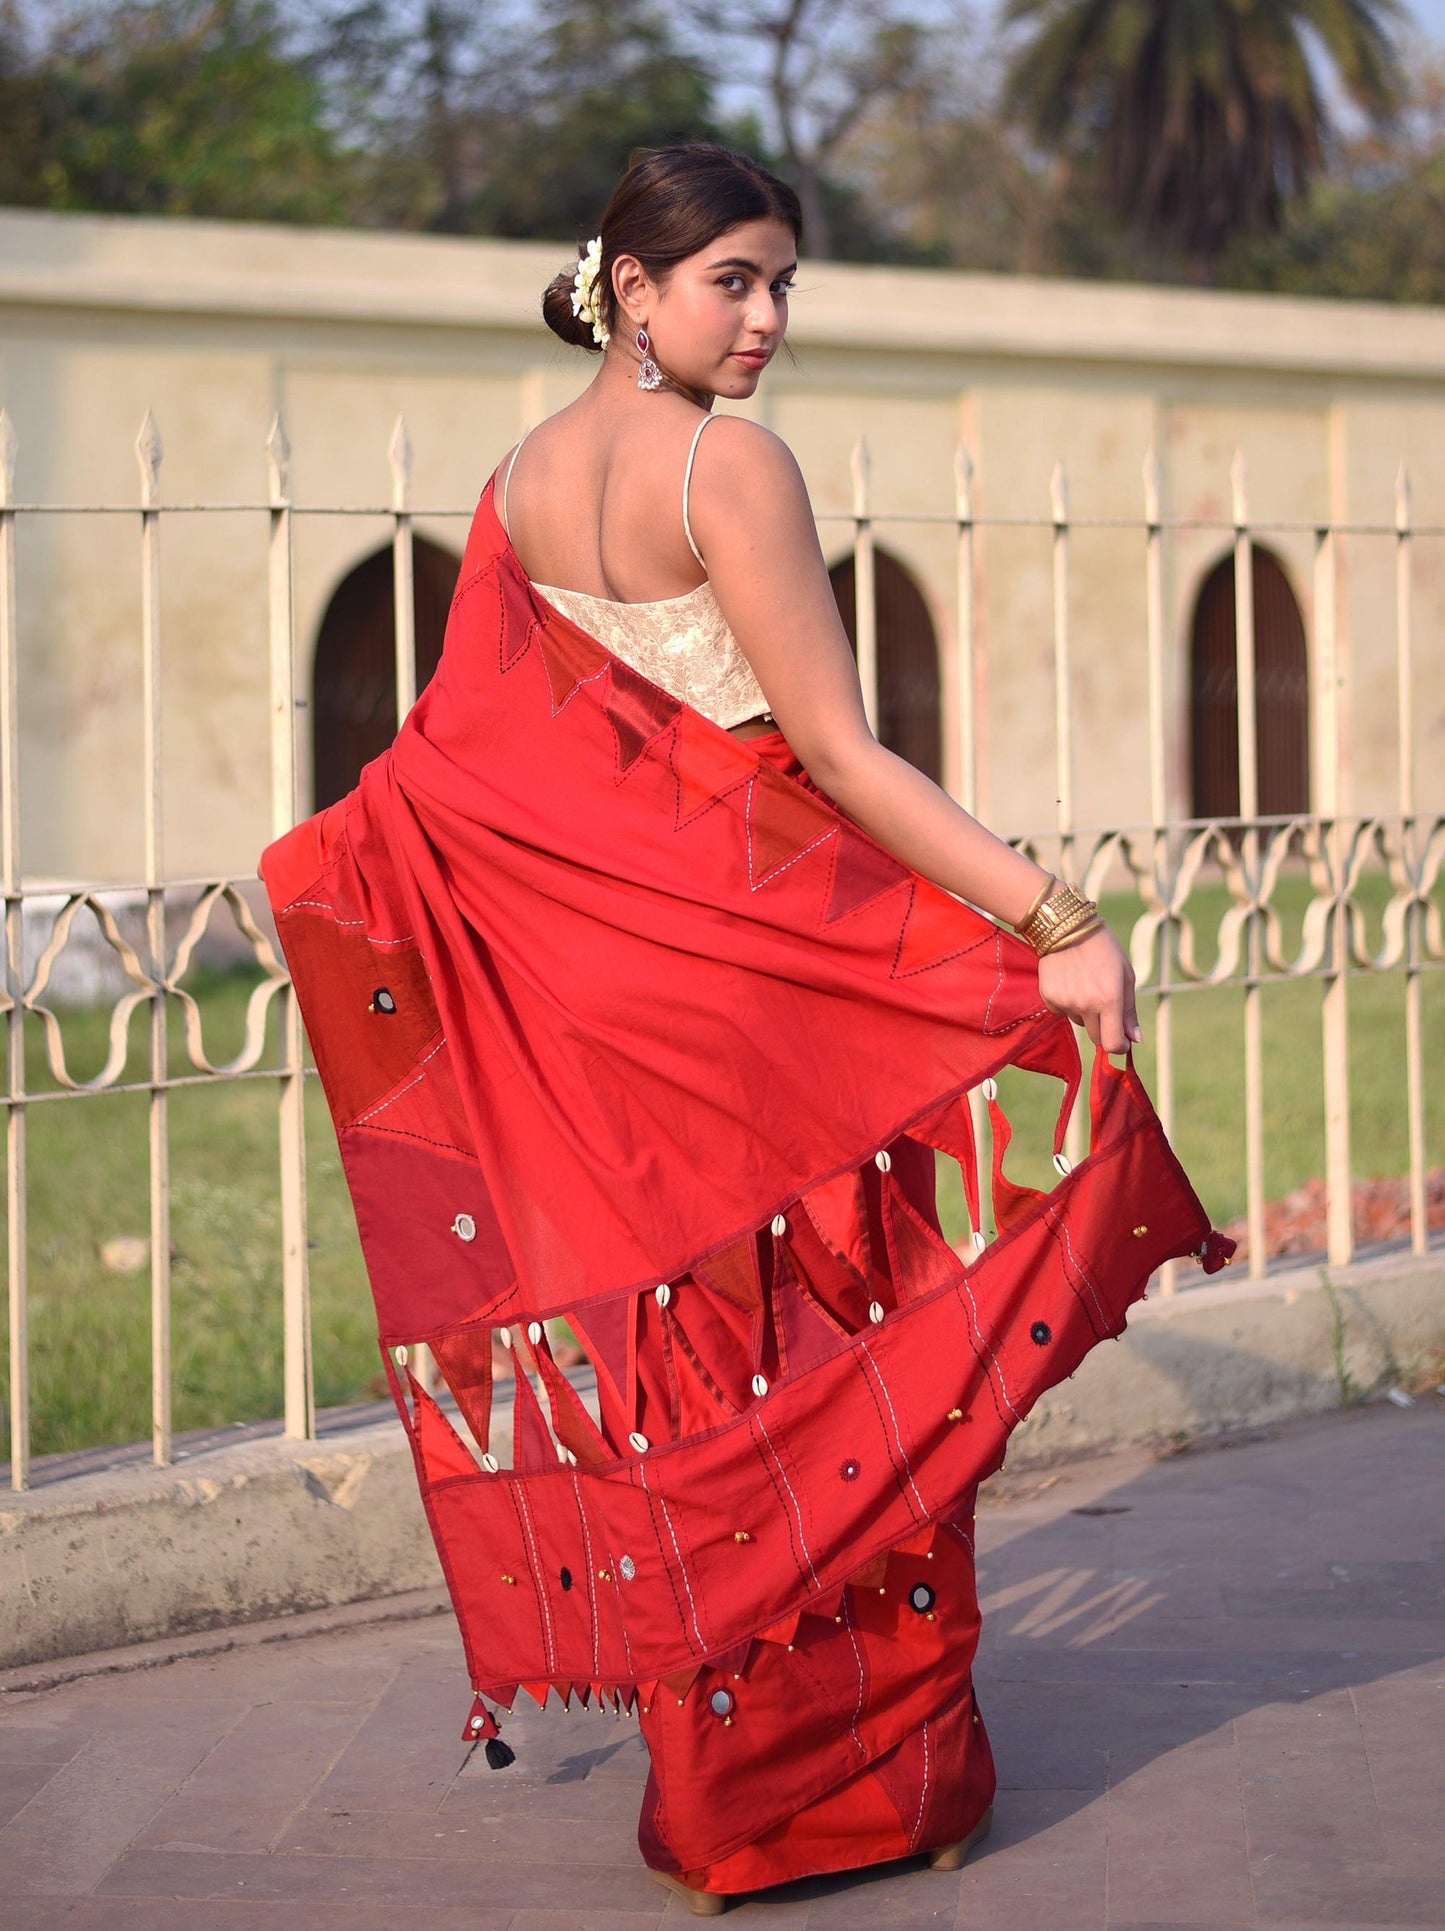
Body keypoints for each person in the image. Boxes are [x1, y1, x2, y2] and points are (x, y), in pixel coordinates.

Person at [261, 143, 1228, 1916]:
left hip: (604, 1009)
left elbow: (469, 769)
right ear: (630, 286)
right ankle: (860, 1794)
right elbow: (841, 758)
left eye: (786, 284)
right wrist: (1056, 924)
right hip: (755, 999)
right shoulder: (728, 462)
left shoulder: (519, 478)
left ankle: (722, 1809)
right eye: (735, 281)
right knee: (838, 1361)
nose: (768, 319)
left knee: (704, 1373)